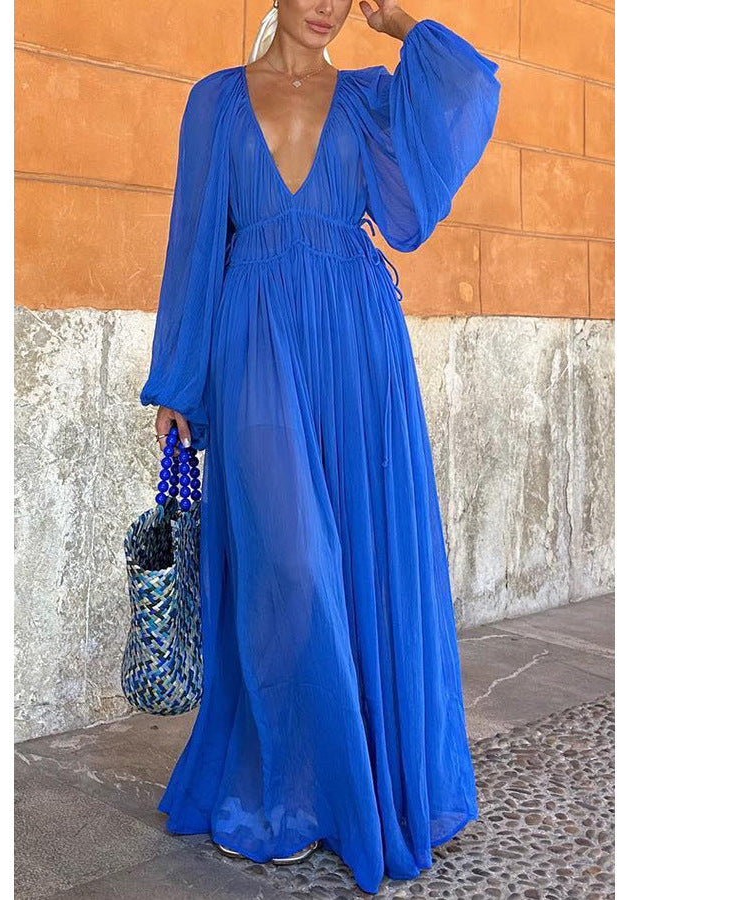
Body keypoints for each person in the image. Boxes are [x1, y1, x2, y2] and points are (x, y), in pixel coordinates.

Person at [139, 0, 500, 893]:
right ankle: (288, 790)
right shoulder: (216, 102)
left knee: (360, 565)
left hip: (360, 351)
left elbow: (465, 90)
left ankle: (346, 790)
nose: (329, 4)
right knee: (288, 562)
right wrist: (179, 382)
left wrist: (400, 22)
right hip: (256, 345)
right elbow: (194, 243)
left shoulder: (370, 99)